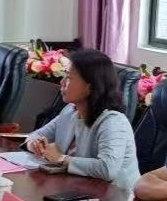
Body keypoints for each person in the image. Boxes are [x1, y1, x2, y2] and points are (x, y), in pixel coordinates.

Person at [24, 49, 139, 191]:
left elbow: (107, 169)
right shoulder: (70, 111)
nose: (62, 82)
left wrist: (61, 159)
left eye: (69, 78)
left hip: (116, 197)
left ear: (89, 87)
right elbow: (36, 135)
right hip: (80, 190)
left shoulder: (113, 122)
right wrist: (35, 144)